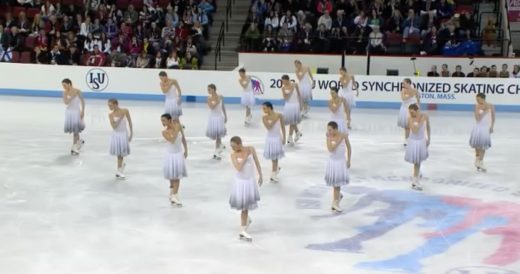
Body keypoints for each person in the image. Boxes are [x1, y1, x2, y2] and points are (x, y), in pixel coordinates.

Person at [229, 136, 262, 242]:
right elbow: (238, 168)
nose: (233, 148)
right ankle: (242, 230)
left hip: (249, 182)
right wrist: (245, 158)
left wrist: (260, 175)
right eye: (231, 146)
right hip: (240, 184)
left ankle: (246, 221)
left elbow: (257, 162)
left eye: (234, 146)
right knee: (244, 208)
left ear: (239, 144)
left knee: (246, 207)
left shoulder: (251, 149)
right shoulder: (233, 155)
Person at [161, 113, 188, 206]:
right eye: (162, 121)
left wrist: (186, 150)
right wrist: (176, 130)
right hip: (170, 155)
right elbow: (172, 141)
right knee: (172, 175)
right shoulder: (164, 132)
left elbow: (183, 138)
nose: (162, 123)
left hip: (178, 154)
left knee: (177, 176)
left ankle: (174, 195)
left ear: (169, 120)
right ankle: (173, 192)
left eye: (164, 120)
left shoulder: (178, 126)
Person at [325, 121, 352, 212]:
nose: (328, 131)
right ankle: (336, 200)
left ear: (336, 129)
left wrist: (349, 160)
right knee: (335, 184)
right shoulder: (329, 137)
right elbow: (330, 149)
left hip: (340, 162)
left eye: (330, 130)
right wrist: (339, 141)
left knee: (337, 184)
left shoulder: (344, 135)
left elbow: (349, 147)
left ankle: (335, 202)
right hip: (333, 163)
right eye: (328, 130)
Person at [405, 103, 430, 191]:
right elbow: (415, 131)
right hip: (414, 142)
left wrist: (429, 139)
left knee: (418, 161)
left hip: (421, 141)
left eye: (412, 112)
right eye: (409, 112)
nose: (410, 114)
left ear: (417, 111)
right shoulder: (410, 119)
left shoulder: (425, 116)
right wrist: (420, 121)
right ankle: (414, 182)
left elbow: (428, 128)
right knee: (416, 162)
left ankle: (417, 175)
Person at [108, 99, 133, 179]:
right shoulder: (111, 115)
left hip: (124, 134)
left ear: (116, 104)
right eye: (109, 105)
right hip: (116, 135)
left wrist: (131, 134)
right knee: (119, 154)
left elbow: (130, 122)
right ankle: (119, 171)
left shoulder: (125, 110)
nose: (109, 107)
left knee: (122, 154)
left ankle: (120, 168)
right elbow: (114, 127)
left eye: (111, 105)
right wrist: (120, 118)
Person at [469, 93, 495, 172]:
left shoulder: (490, 105)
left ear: (482, 98)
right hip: (478, 127)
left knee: (483, 145)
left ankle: (480, 161)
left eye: (478, 99)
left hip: (485, 128)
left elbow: (493, 117)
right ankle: (477, 158)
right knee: (477, 144)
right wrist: (484, 112)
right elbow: (477, 118)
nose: (477, 100)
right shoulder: (476, 106)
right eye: (476, 99)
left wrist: (492, 127)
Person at [261, 101, 286, 183]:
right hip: (270, 139)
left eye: (264, 108)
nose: (263, 110)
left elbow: (283, 127)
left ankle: (273, 174)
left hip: (277, 138)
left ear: (269, 108)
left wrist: (284, 137)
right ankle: (275, 170)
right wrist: (276, 118)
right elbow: (269, 127)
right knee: (273, 157)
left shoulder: (280, 115)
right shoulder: (264, 118)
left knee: (275, 157)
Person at [62, 78, 85, 155]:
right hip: (69, 113)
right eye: (63, 85)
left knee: (76, 131)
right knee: (75, 131)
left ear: (69, 84)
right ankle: (78, 143)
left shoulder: (77, 91)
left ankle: (74, 148)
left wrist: (83, 111)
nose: (64, 87)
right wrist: (72, 97)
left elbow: (82, 101)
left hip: (76, 112)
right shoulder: (65, 92)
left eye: (64, 85)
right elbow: (66, 102)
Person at [206, 84, 227, 160]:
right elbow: (212, 107)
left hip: (220, 117)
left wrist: (225, 115)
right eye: (208, 89)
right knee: (217, 135)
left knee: (219, 135)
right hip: (213, 119)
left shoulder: (221, 96)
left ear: (214, 89)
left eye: (209, 89)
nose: (208, 91)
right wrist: (218, 101)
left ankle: (216, 152)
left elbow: (223, 106)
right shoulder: (208, 98)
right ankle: (219, 147)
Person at [281, 74, 303, 145]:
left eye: (284, 81)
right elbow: (285, 98)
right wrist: (290, 91)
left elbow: (299, 95)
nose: (283, 83)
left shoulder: (295, 85)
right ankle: (297, 132)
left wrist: (301, 105)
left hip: (295, 105)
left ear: (288, 80)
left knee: (292, 121)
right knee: (291, 121)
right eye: (282, 81)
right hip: (288, 106)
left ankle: (290, 137)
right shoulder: (283, 88)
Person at [398, 78, 420, 146]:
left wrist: (418, 105)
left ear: (408, 83)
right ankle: (406, 140)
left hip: (413, 109)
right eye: (402, 83)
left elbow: (418, 98)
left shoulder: (415, 90)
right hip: (405, 109)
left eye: (404, 83)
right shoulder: (403, 90)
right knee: (407, 126)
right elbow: (403, 98)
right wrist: (411, 95)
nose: (403, 84)